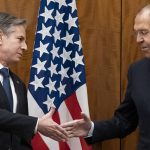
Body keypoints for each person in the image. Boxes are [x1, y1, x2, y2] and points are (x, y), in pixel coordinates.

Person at [61, 4, 150, 150]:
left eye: (144, 32)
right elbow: (125, 121)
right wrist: (91, 129)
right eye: (136, 33)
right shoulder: (137, 71)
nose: (138, 40)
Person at [0, 12, 68, 150]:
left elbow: (21, 135)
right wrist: (36, 124)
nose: (25, 47)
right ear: (0, 37)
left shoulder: (18, 84)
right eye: (20, 39)